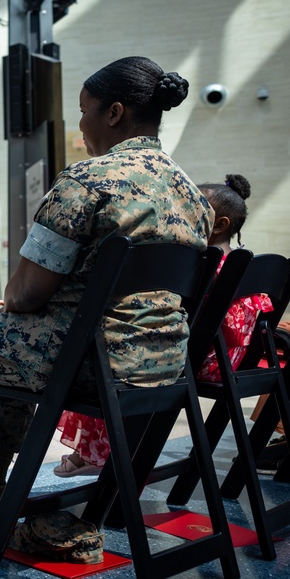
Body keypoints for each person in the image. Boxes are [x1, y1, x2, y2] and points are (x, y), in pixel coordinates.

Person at [0, 56, 212, 534]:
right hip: (163, 366)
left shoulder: (88, 180)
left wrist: (14, 301)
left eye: (85, 109)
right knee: (5, 340)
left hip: (90, 361)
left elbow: (27, 293)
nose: (81, 122)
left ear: (113, 113)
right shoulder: (193, 196)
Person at [53, 173, 274, 477]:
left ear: (219, 225)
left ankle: (96, 453)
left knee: (110, 354)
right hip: (230, 362)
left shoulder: (197, 265)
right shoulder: (244, 265)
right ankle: (112, 452)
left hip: (195, 361)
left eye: (191, 209)